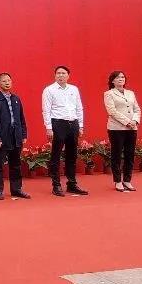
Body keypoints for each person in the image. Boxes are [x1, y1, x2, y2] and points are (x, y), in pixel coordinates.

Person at [42, 66, 89, 197]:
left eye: (63, 73)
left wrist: (80, 126)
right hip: (58, 124)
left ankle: (72, 184)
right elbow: (46, 110)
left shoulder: (74, 89)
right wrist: (49, 128)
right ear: (55, 75)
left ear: (68, 76)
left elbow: (79, 108)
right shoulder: (49, 90)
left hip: (73, 124)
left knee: (72, 155)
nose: (61, 75)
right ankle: (56, 185)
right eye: (58, 73)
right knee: (56, 155)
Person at [0, 73, 31, 200]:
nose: (7, 83)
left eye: (9, 80)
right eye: (4, 81)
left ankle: (16, 189)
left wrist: (23, 134)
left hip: (16, 136)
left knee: (16, 165)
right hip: (2, 137)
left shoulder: (16, 99)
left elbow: (22, 119)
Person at [104, 71, 141, 192]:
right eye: (117, 77)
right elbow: (112, 111)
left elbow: (137, 109)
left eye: (122, 77)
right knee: (117, 154)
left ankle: (127, 180)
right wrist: (127, 122)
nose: (121, 79)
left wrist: (134, 121)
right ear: (112, 81)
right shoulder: (109, 94)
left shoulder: (130, 93)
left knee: (130, 154)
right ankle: (118, 181)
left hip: (132, 128)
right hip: (116, 128)